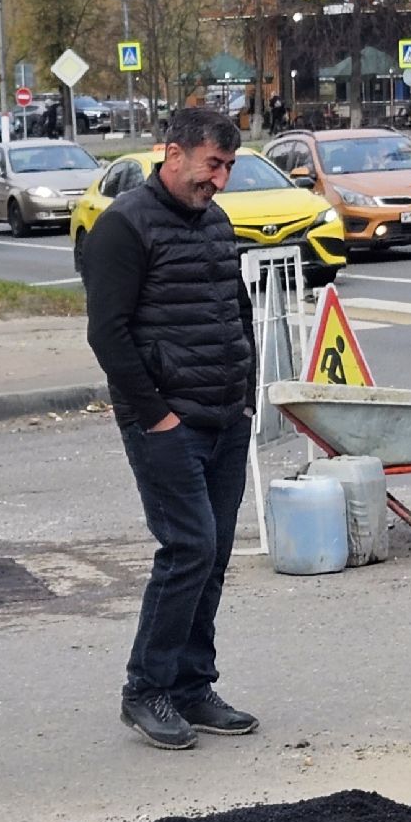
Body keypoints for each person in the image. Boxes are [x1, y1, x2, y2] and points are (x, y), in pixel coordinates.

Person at [79, 107, 261, 751]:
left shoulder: (215, 221)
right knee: (186, 549)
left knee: (211, 557)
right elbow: (108, 332)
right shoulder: (123, 226)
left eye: (229, 167)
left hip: (222, 416)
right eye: (214, 164)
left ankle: (190, 685)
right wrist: (156, 415)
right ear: (174, 153)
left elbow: (235, 311)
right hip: (164, 422)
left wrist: (244, 396)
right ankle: (145, 689)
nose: (221, 179)